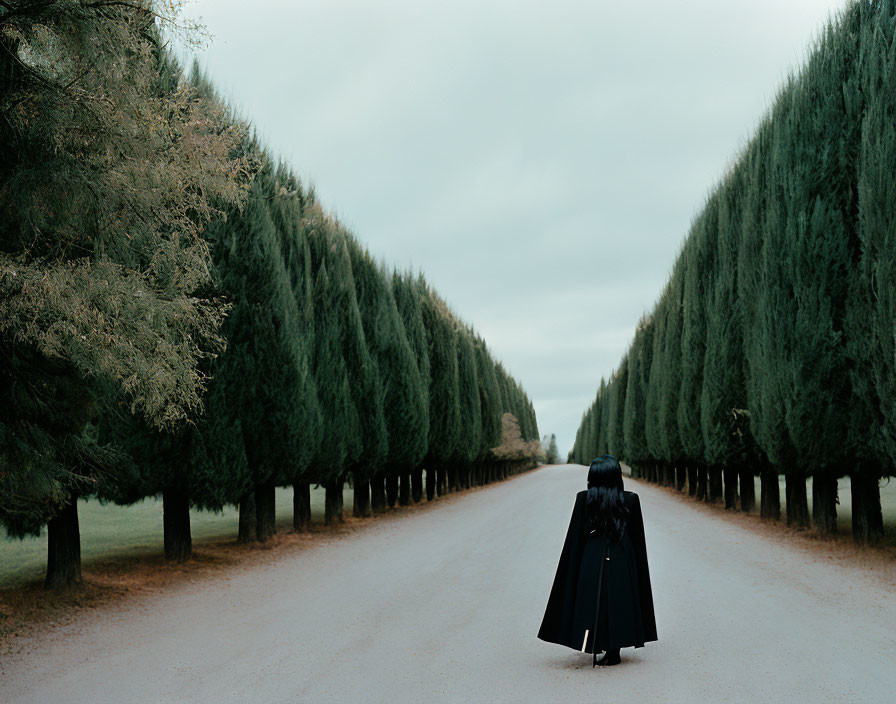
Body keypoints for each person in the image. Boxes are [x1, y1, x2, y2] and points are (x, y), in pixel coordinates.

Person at [537, 455, 657, 667]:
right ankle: (614, 649)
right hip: (623, 557)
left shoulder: (585, 499)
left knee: (593, 599)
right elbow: (638, 540)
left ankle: (595, 642)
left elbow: (575, 537)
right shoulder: (630, 499)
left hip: (591, 557)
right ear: (617, 476)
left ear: (593, 477)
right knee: (619, 599)